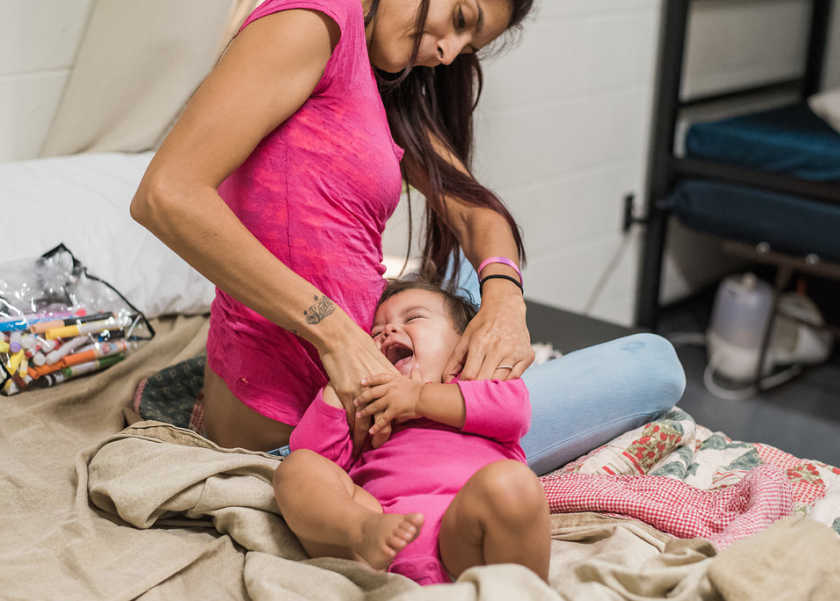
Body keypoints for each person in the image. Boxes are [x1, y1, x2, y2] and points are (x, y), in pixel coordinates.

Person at [131, 0, 686, 473]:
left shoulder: (378, 75)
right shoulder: (313, 20)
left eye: (466, 47)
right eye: (461, 18)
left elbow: (475, 212)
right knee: (653, 363)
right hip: (315, 442)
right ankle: (460, 391)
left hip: (373, 384)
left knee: (479, 269)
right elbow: (166, 194)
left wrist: (506, 305)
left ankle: (475, 352)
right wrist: (337, 335)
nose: (448, 52)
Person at [274, 279, 550, 585]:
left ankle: (520, 592)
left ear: (464, 343)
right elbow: (316, 454)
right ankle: (359, 527)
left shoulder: (476, 382)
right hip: (376, 546)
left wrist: (417, 398)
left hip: (464, 543)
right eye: (375, 334)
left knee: (512, 484)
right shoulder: (371, 410)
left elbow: (512, 411)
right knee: (298, 468)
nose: (388, 332)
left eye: (413, 318)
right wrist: (342, 384)